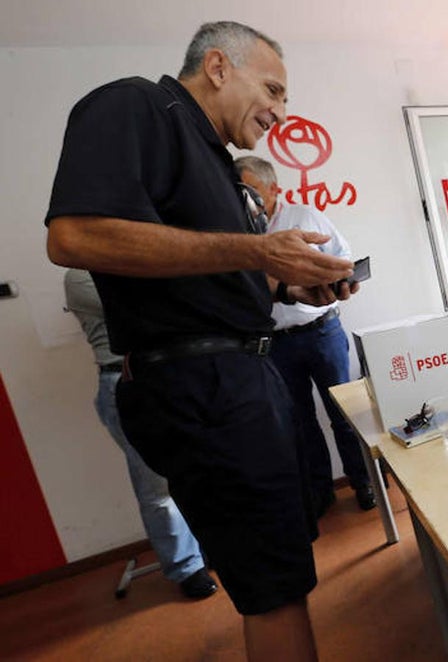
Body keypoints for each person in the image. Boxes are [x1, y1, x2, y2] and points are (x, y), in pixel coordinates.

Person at [45, 21, 356, 661]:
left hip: (240, 377)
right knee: (274, 586)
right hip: (205, 389)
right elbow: (73, 236)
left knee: (281, 574)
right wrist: (257, 248)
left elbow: (208, 280)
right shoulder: (135, 105)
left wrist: (288, 289)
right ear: (218, 67)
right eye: (271, 88)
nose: (280, 111)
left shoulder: (216, 160)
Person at [63, 269, 218, 600]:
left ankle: (209, 549)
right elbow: (150, 308)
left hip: (171, 375)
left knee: (197, 473)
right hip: (123, 382)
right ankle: (187, 568)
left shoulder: (132, 264)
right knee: (157, 485)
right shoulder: (78, 276)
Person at [236, 156, 376, 514]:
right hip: (277, 342)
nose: (245, 200)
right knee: (299, 421)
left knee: (344, 412)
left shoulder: (305, 218)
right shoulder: (239, 232)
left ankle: (364, 482)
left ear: (273, 189)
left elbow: (343, 260)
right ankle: (320, 491)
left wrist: (332, 277)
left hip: (321, 331)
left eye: (251, 191)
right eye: (238, 192)